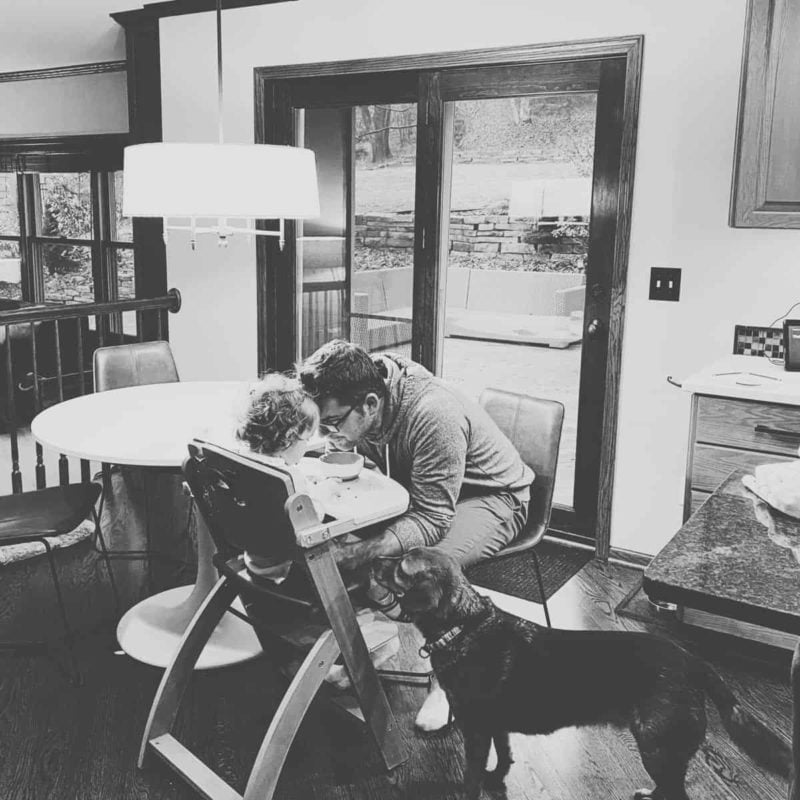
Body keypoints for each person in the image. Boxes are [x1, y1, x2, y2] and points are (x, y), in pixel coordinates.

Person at [297, 339, 534, 730]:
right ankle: (369, 650)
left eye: (333, 423)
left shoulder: (434, 414)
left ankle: (449, 685)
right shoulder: (365, 394)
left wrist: (366, 550)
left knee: (429, 568)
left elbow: (434, 517)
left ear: (371, 404)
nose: (328, 434)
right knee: (360, 546)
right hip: (426, 492)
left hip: (495, 497)